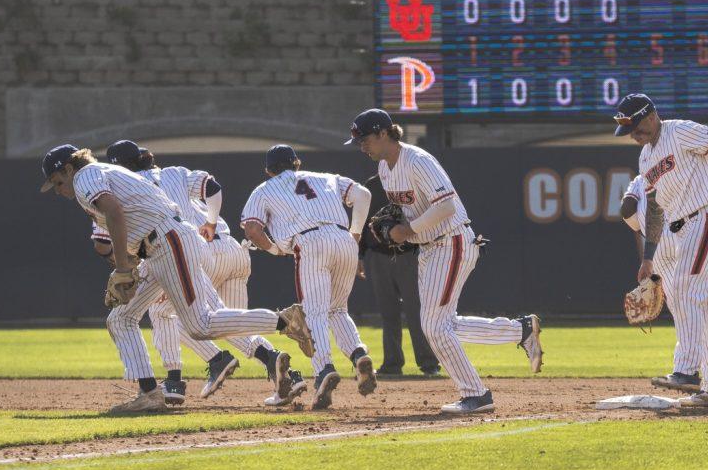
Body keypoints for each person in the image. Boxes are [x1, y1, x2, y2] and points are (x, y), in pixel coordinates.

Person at [40, 144, 313, 413]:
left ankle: (285, 321)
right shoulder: (103, 174)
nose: (59, 191)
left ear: (68, 168)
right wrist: (126, 268)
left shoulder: (85, 176)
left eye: (57, 182)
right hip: (158, 248)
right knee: (121, 318)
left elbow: (115, 213)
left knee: (199, 325)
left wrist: (123, 268)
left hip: (169, 241)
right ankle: (149, 393)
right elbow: (132, 221)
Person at [346, 108, 543, 415]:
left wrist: (407, 230)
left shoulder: (417, 160)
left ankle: (476, 394)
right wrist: (395, 228)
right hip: (428, 248)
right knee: (442, 325)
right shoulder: (385, 169)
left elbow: (447, 205)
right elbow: (409, 211)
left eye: (365, 139)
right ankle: (520, 331)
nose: (361, 146)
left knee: (435, 327)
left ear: (384, 133)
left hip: (451, 241)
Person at [614, 93, 708, 408]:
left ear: (651, 115)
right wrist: (648, 257)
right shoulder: (646, 158)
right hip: (681, 227)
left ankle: (687, 370)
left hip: (705, 215)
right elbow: (656, 209)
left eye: (636, 126)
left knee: (688, 289)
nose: (634, 134)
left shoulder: (680, 130)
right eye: (629, 130)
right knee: (697, 301)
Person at [240, 145, 376, 410]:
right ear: (297, 164)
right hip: (343, 239)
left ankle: (324, 369)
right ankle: (358, 355)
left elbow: (252, 229)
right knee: (337, 309)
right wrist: (355, 233)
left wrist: (276, 249)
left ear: (269, 170)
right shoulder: (326, 178)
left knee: (314, 312)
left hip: (309, 241)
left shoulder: (263, 189)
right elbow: (363, 194)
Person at [621, 174, 708, 394]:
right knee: (701, 305)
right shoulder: (680, 169)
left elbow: (627, 210)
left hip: (658, 242)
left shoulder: (640, 179)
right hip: (689, 232)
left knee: (685, 309)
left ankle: (687, 370)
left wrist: (646, 254)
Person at [359, 174, 440, 377]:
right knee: (389, 313)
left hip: (409, 255)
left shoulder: (412, 182)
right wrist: (359, 254)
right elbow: (361, 221)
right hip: (378, 255)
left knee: (416, 312)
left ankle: (429, 364)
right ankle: (392, 364)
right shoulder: (373, 185)